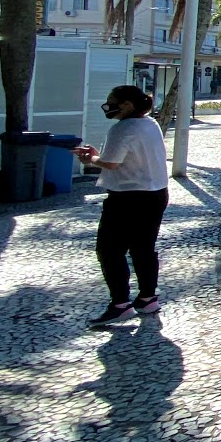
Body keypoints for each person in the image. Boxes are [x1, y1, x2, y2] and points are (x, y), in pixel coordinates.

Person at [74, 86, 170, 327]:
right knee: (143, 248)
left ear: (127, 105)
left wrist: (90, 158)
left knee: (109, 250)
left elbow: (111, 163)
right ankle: (148, 298)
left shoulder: (123, 128)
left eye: (112, 102)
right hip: (156, 193)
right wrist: (99, 157)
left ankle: (120, 304)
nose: (108, 107)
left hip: (128, 197)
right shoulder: (150, 124)